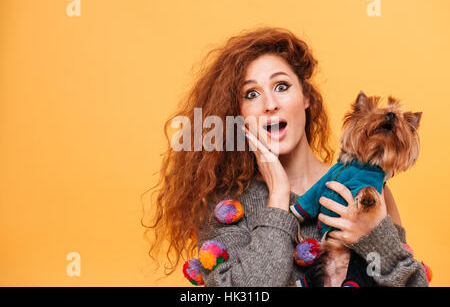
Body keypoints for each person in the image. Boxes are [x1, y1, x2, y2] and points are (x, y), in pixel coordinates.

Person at [143, 26, 428, 287]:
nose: (270, 104)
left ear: (305, 97)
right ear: (238, 115)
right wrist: (278, 198)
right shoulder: (223, 205)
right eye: (252, 94)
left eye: (281, 86)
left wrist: (374, 239)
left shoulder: (371, 194)